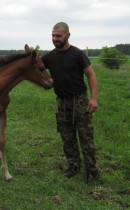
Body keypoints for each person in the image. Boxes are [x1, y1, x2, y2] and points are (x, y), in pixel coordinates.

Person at [42, 22, 99, 184]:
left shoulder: (78, 54)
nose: (55, 39)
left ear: (68, 35)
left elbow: (91, 76)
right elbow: (35, 67)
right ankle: (73, 166)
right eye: (53, 35)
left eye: (58, 35)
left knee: (86, 138)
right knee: (67, 138)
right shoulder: (49, 57)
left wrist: (93, 99)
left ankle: (92, 172)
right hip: (62, 103)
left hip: (80, 101)